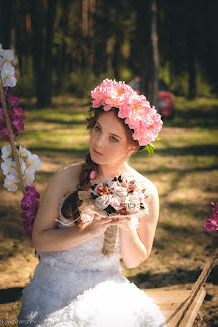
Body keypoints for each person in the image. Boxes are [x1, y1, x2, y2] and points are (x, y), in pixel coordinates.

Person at [17, 78, 166, 326]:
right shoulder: (66, 177)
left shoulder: (146, 191)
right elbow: (40, 239)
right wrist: (89, 231)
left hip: (106, 286)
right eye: (97, 129)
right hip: (55, 286)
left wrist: (127, 226)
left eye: (113, 138)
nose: (98, 142)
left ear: (132, 147)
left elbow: (133, 261)